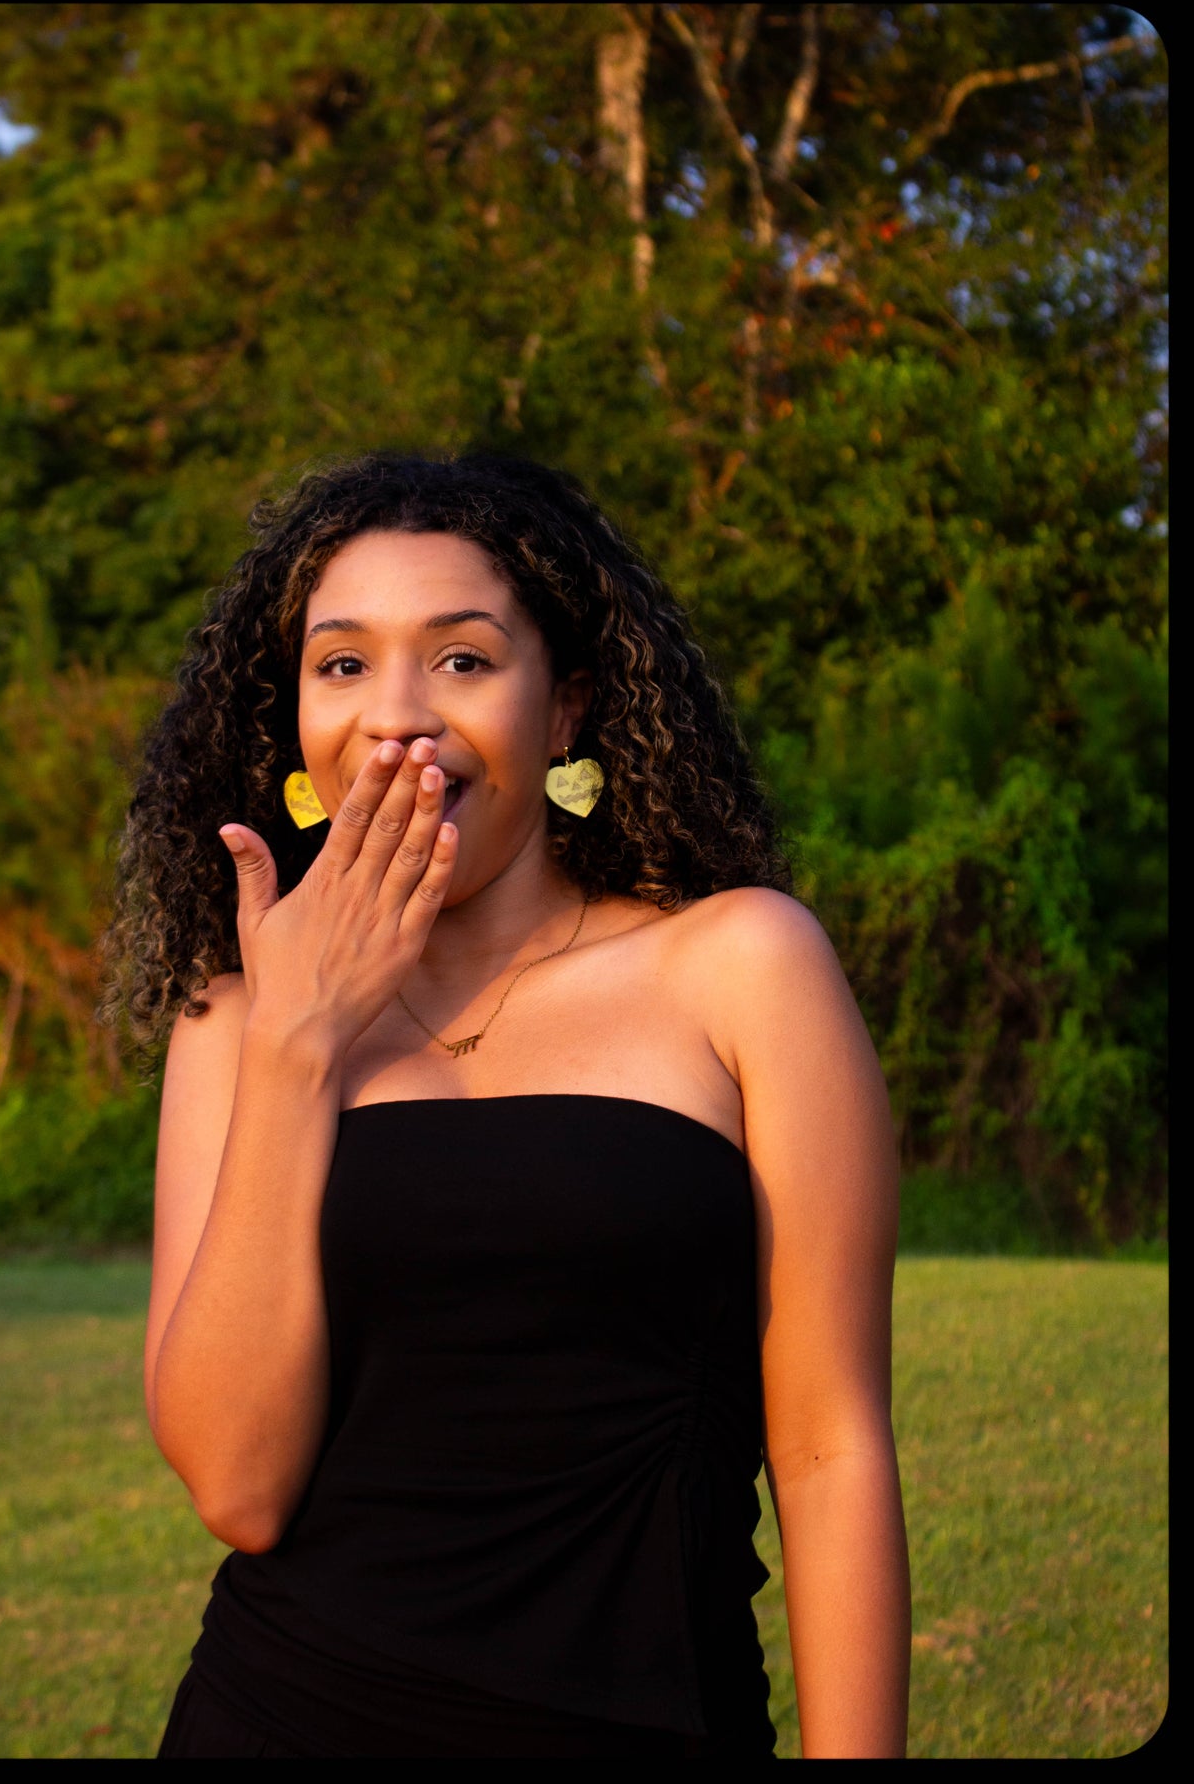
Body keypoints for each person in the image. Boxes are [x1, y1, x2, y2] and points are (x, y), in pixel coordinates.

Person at [101, 451, 911, 1758]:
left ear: (567, 708)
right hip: (276, 1713)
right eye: (342, 662)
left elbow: (827, 1449)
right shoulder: (235, 1017)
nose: (397, 716)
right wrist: (299, 1046)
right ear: (296, 720)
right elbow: (238, 1486)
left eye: (463, 660)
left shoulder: (741, 964)